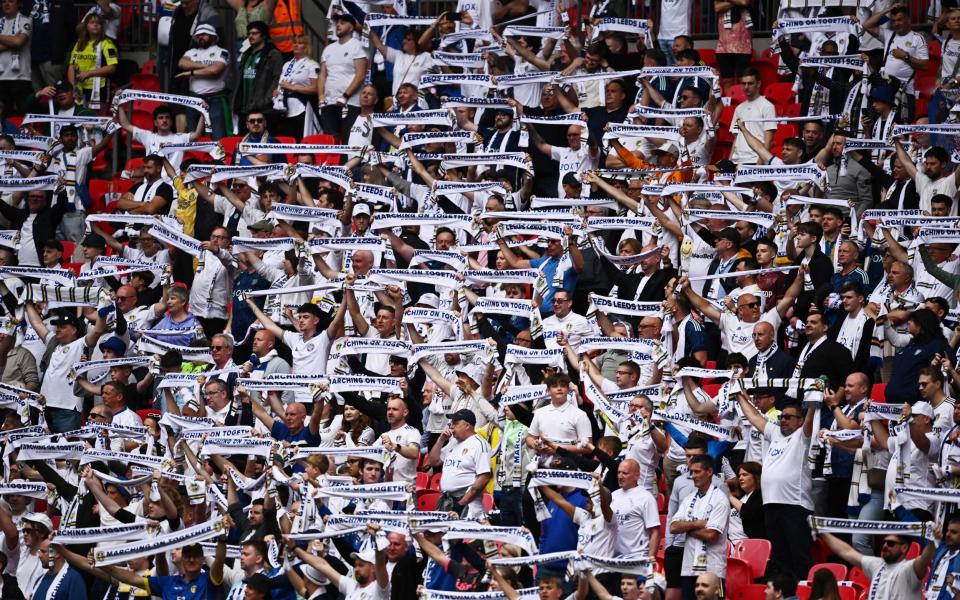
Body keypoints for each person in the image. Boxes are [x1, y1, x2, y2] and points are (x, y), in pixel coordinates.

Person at [818, 529, 936, 600]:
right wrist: (822, 532)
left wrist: (932, 541)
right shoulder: (876, 564)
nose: (885, 546)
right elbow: (846, 551)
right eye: (884, 542)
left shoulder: (910, 568)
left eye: (890, 543)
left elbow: (925, 558)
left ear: (904, 548)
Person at [318, 13, 367, 141]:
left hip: (350, 103)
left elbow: (361, 75)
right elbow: (322, 75)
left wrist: (345, 96)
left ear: (351, 28)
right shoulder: (328, 49)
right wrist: (321, 97)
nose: (338, 25)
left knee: (348, 140)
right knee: (330, 140)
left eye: (343, 23)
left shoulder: (357, 45)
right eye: (337, 23)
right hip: (329, 102)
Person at [66, 11, 116, 112]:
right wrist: (72, 87)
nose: (96, 24)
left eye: (99, 23)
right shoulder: (79, 43)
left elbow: (112, 68)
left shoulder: (108, 44)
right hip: (79, 88)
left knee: (97, 119)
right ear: (86, 26)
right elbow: (71, 66)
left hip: (99, 87)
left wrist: (89, 73)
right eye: (92, 22)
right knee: (80, 117)